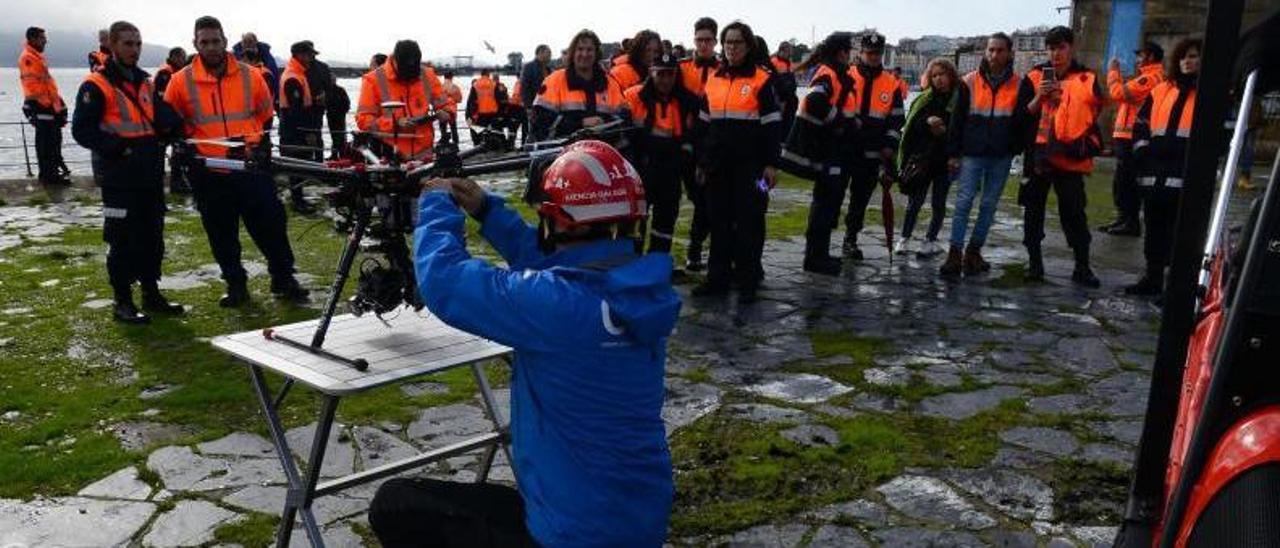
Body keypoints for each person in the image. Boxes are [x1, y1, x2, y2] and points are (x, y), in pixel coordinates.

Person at [370, 140, 678, 547]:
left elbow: (444, 281)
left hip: (571, 536)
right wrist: (488, 210)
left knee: (393, 505)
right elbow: (565, 262)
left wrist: (436, 203)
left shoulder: (559, 306)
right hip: (636, 522)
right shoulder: (637, 292)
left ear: (558, 221)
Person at [164, 15, 309, 306]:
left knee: (272, 225)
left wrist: (261, 146)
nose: (211, 47)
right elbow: (171, 123)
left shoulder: (250, 75)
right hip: (210, 172)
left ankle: (283, 278)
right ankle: (236, 284)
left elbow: (266, 115)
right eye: (204, 42)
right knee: (221, 233)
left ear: (225, 42)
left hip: (251, 167)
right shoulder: (180, 82)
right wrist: (182, 158)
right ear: (195, 44)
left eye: (216, 41)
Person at [72, 20, 186, 324]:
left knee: (152, 236)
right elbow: (82, 130)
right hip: (119, 177)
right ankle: (122, 300)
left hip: (148, 174)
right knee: (121, 240)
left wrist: (174, 126)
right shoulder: (95, 85)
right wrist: (118, 148)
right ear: (112, 45)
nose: (134, 49)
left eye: (138, 44)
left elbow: (160, 114)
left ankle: (151, 292)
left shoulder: (145, 82)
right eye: (128, 44)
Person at [692, 21, 782, 303]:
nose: (731, 48)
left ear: (748, 46)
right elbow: (704, 127)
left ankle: (748, 280)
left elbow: (772, 127)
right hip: (718, 168)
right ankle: (717, 279)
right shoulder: (714, 80)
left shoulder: (762, 80)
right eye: (727, 43)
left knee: (751, 223)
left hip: (753, 169)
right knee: (718, 223)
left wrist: (771, 165)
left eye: (737, 43)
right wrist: (702, 163)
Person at [1017, 25, 1105, 287]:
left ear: (1071, 48)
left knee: (1075, 213)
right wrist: (1039, 98)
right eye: (1051, 48)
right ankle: (1035, 264)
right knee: (1033, 212)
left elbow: (1095, 115)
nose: (1056, 53)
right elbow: (1021, 117)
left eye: (1061, 47)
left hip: (1070, 157)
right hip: (1039, 157)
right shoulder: (1034, 77)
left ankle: (1082, 266)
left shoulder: (1087, 78)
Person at [943, 32, 1026, 278]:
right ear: (985, 52)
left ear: (1009, 53)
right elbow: (956, 120)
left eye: (1000, 50)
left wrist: (1015, 147)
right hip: (972, 153)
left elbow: (1021, 121)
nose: (994, 55)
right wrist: (953, 154)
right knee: (964, 202)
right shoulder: (969, 81)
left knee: (989, 205)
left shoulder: (1019, 84)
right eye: (990, 50)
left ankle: (974, 251)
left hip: (1001, 155)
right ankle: (954, 252)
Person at [1125, 38, 1201, 296]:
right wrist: (1143, 151)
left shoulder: (1211, 94)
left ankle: (1176, 286)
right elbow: (1141, 124)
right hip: (1155, 171)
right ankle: (1153, 277)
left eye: (1193, 56)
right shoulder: (1161, 90)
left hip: (1185, 174)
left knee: (1180, 234)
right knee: (1154, 228)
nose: (1187, 61)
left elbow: (1222, 134)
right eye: (1184, 57)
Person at [624, 53, 699, 254]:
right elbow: (624, 135)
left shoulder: (686, 101)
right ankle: (633, 266)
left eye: (670, 74)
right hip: (640, 170)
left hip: (671, 171)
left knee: (665, 224)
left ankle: (657, 265)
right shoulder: (633, 96)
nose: (666, 79)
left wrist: (685, 157)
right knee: (635, 223)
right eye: (661, 74)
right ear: (651, 73)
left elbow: (693, 135)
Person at [796, 32, 858, 275]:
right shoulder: (828, 73)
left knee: (829, 203)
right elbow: (814, 101)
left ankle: (820, 254)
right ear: (841, 52)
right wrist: (840, 121)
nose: (851, 55)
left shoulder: (835, 73)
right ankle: (814, 257)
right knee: (824, 204)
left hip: (837, 149)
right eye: (849, 50)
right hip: (829, 149)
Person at [841, 33, 905, 260]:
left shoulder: (891, 83)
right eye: (869, 53)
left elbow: (897, 119)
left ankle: (850, 238)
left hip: (871, 153)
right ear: (861, 53)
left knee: (860, 200)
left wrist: (889, 144)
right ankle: (820, 241)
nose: (873, 57)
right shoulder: (847, 75)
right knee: (832, 197)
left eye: (877, 54)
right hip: (844, 149)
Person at [896, 58, 960, 258]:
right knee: (915, 201)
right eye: (934, 75)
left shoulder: (959, 100)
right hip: (923, 158)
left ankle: (929, 241)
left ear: (951, 75)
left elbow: (962, 128)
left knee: (939, 203)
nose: (939, 79)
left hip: (945, 160)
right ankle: (904, 239)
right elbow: (911, 127)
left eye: (942, 74)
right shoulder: (924, 99)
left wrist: (946, 131)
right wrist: (927, 122)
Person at [1101, 41, 1165, 237]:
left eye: (1140, 55)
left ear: (1151, 57)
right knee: (1122, 182)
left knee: (1128, 182)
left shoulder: (1151, 78)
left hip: (1133, 138)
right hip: (1127, 136)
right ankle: (1124, 219)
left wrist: (1113, 71)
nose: (1137, 59)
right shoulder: (1147, 77)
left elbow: (1118, 93)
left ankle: (1130, 222)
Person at [356, 40, 451, 162]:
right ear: (395, 60)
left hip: (425, 154)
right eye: (405, 69)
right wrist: (395, 123)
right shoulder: (373, 80)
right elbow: (363, 120)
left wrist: (446, 112)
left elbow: (445, 103)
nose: (410, 74)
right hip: (389, 155)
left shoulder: (427, 75)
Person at [529, 30, 630, 141]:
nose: (585, 54)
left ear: (596, 54)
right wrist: (580, 123)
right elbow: (539, 121)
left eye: (589, 50)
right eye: (580, 49)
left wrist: (604, 123)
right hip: (563, 154)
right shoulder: (554, 81)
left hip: (601, 151)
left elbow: (625, 118)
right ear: (572, 53)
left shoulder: (611, 84)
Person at [677, 17, 719, 272]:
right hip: (684, 140)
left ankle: (695, 248)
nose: (703, 45)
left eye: (708, 40)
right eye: (699, 40)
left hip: (712, 142)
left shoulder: (723, 70)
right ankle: (695, 247)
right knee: (696, 196)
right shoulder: (681, 69)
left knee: (707, 199)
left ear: (715, 42)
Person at [19, 26, 72, 185]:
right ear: (33, 39)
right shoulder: (28, 58)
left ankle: (52, 174)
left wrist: (59, 106)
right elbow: (34, 86)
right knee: (46, 144)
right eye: (42, 38)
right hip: (42, 107)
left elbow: (47, 84)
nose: (45, 41)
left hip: (48, 106)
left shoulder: (37, 57)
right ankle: (49, 177)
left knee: (53, 142)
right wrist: (48, 106)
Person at [278, 41, 325, 214]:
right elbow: (295, 112)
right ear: (298, 55)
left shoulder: (298, 74)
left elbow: (301, 106)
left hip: (295, 130)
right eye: (308, 54)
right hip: (294, 133)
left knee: (299, 168)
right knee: (296, 168)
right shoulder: (292, 77)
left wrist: (315, 103)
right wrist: (308, 133)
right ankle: (297, 202)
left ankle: (299, 199)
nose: (311, 57)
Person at [155, 46, 191, 193]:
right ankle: (171, 182)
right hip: (166, 120)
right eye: (182, 57)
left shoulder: (173, 72)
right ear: (175, 57)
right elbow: (165, 99)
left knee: (177, 150)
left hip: (173, 118)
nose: (184, 60)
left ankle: (177, 181)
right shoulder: (166, 73)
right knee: (165, 150)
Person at [233, 32, 282, 104]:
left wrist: (277, 96)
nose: (247, 44)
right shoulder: (235, 56)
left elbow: (274, 74)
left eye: (250, 41)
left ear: (256, 42)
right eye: (245, 42)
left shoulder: (265, 54)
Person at [319, 62, 350, 160]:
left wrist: (342, 111)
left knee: (340, 136)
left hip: (340, 116)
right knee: (334, 136)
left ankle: (341, 155)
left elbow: (346, 103)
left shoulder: (341, 90)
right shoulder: (326, 90)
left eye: (333, 79)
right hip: (331, 115)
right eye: (331, 79)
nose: (332, 80)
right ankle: (334, 155)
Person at [771, 41, 799, 136]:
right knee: (780, 120)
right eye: (789, 51)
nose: (790, 54)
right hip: (780, 98)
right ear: (782, 50)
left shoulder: (788, 63)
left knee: (789, 120)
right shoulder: (774, 62)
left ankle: (785, 138)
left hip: (790, 97)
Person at [467, 68, 500, 137]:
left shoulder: (475, 84)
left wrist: (470, 114)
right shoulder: (493, 83)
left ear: (481, 74)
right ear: (488, 74)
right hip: (493, 113)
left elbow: (471, 101)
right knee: (492, 133)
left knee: (481, 133)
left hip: (480, 113)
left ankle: (481, 145)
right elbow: (498, 99)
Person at [520, 45, 552, 110]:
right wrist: (528, 107)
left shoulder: (549, 70)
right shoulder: (529, 67)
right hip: (534, 105)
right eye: (548, 53)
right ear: (540, 53)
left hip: (547, 106)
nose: (550, 56)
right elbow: (525, 88)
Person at [440, 70, 462, 145]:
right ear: (452, 77)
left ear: (444, 77)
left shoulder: (440, 87)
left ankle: (444, 146)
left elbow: (436, 100)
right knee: (453, 129)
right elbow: (459, 100)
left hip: (442, 111)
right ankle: (456, 146)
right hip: (452, 111)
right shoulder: (455, 87)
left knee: (443, 130)